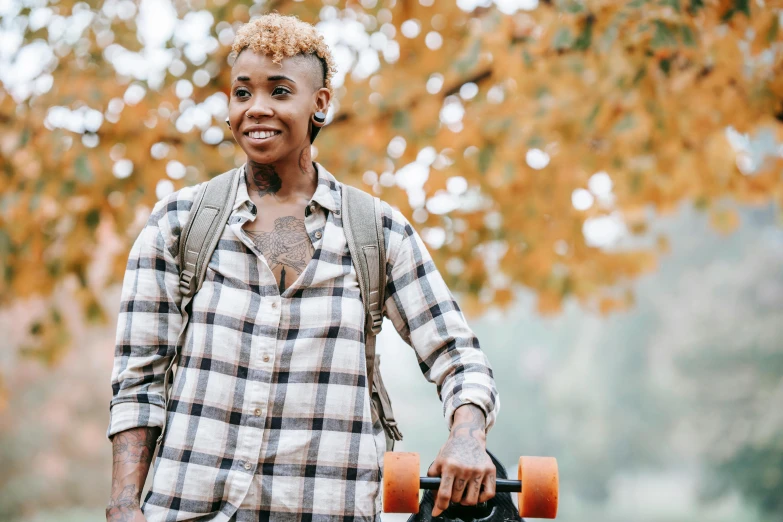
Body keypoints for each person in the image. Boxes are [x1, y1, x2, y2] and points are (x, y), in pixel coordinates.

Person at [106, 13, 499, 522]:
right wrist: (122, 504)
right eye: (242, 93)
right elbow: (139, 380)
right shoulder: (179, 224)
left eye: (280, 91)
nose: (257, 108)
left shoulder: (376, 232)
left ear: (321, 103)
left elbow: (460, 358)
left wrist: (468, 436)